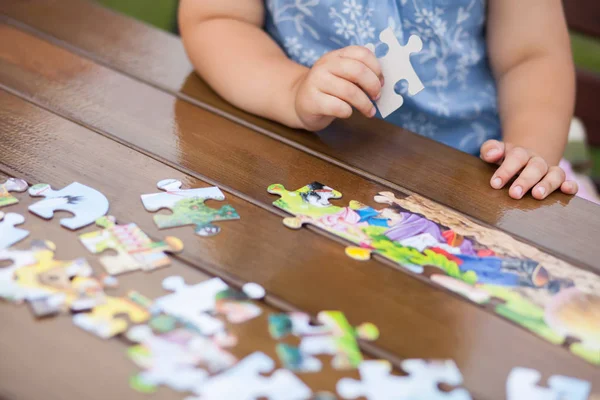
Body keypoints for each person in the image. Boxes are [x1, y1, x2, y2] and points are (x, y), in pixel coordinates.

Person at [179, 0, 580, 200]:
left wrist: (529, 151)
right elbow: (217, 18)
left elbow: (533, 56)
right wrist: (291, 87)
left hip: (470, 177)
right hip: (301, 163)